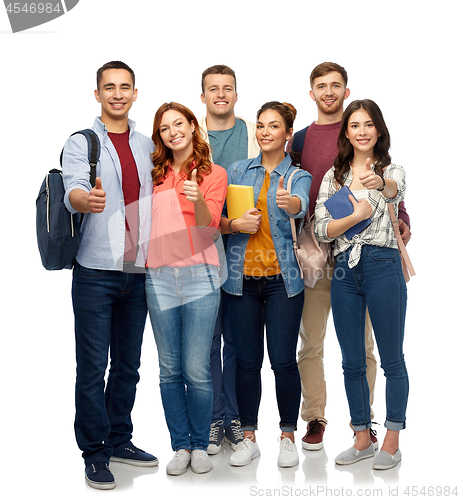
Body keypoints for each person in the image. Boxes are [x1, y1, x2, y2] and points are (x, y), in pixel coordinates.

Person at [291, 62, 411, 451]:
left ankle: (371, 426)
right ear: (312, 93)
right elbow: (314, 212)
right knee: (314, 344)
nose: (328, 91)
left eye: (336, 85)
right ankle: (319, 419)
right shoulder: (304, 142)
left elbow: (395, 188)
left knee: (370, 350)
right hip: (320, 255)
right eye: (320, 86)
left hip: (374, 263)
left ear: (345, 90)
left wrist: (395, 207)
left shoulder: (386, 165)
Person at [62, 61, 157, 490]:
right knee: (92, 366)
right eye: (109, 88)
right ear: (97, 94)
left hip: (137, 269)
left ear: (135, 93)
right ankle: (95, 451)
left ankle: (120, 439)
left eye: (125, 87)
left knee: (128, 366)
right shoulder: (82, 142)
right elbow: (72, 189)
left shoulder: (144, 143)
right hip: (96, 271)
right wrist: (87, 199)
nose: (117, 94)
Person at [314, 99, 409, 470]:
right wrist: (354, 215)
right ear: (347, 133)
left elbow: (393, 192)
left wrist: (379, 183)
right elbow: (321, 228)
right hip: (343, 272)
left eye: (369, 124)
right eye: (355, 125)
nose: (362, 131)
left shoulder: (392, 169)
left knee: (392, 359)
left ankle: (392, 439)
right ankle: (361, 436)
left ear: (379, 130)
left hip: (383, 265)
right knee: (352, 361)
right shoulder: (333, 177)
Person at [220, 102, 312, 468]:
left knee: (283, 361)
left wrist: (291, 204)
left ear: (288, 133)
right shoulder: (238, 170)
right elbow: (222, 217)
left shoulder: (298, 176)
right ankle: (248, 436)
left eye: (274, 126)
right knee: (246, 362)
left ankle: (287, 436)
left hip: (283, 283)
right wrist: (234, 222)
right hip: (241, 280)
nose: (264, 132)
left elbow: (301, 204)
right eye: (260, 125)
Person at [145, 102, 228, 476]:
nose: (173, 131)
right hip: (159, 276)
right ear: (160, 136)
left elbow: (210, 229)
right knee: (168, 368)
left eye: (179, 123)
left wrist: (197, 202)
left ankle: (198, 444)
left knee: (196, 369)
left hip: (200, 277)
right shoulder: (155, 173)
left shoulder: (214, 174)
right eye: (165, 128)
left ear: (194, 127)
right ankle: (179, 445)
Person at [199, 64, 260, 454]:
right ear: (202, 96)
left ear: (237, 95)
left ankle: (235, 418)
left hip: (242, 259)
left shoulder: (254, 136)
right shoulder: (191, 136)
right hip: (200, 257)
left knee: (237, 344)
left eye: (228, 88)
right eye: (213, 89)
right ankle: (213, 418)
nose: (221, 94)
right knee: (206, 342)